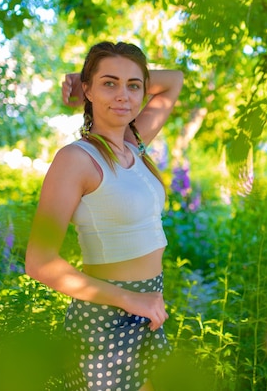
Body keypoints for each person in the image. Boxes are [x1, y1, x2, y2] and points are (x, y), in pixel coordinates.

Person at [25, 41, 184, 391]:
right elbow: (39, 261)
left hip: (148, 311)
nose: (123, 95)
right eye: (108, 83)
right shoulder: (76, 159)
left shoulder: (133, 145)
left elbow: (173, 79)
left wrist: (86, 76)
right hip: (105, 324)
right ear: (88, 91)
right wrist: (131, 299)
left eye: (133, 85)